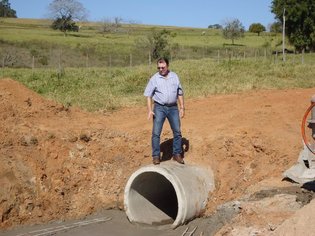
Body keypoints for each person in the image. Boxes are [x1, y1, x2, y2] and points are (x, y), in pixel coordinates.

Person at [144, 57, 185, 165]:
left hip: (173, 108)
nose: (161, 69)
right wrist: (149, 110)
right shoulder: (154, 79)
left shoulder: (175, 77)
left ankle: (177, 154)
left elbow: (180, 93)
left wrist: (182, 107)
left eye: (163, 67)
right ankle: (156, 156)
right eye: (159, 68)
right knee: (156, 133)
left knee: (177, 131)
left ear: (167, 66)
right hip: (159, 108)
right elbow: (148, 95)